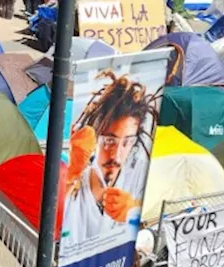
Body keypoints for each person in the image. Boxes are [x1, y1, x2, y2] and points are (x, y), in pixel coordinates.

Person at [61, 71, 155, 249]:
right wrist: (71, 174)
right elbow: (50, 224)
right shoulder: (77, 177)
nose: (116, 154)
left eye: (127, 142)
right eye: (109, 141)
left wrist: (133, 210)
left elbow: (158, 219)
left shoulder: (139, 175)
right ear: (95, 137)